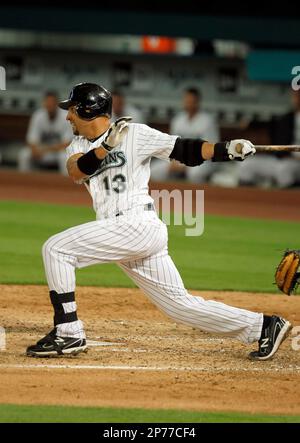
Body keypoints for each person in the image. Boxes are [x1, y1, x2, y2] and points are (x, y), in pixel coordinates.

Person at [26, 82, 292, 361]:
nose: (68, 116)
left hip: (137, 224)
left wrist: (228, 149)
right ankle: (263, 326)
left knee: (56, 249)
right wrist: (105, 147)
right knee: (179, 307)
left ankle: (68, 332)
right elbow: (76, 170)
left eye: (72, 110)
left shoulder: (135, 133)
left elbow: (184, 150)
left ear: (87, 110)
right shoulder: (77, 145)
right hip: (121, 232)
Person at [150, 87, 220, 182]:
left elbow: (210, 150)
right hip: (180, 159)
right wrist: (174, 161)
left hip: (203, 161)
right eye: (187, 100)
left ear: (197, 102)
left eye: (192, 101)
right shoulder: (177, 120)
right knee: (155, 170)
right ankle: (170, 194)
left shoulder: (207, 121)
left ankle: (200, 196)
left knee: (195, 173)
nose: (189, 103)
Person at [238, 89, 300, 188]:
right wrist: (250, 123)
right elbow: (270, 123)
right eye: (295, 96)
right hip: (281, 159)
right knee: (246, 165)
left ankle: (288, 202)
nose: (296, 99)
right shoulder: (288, 118)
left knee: (284, 170)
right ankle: (250, 201)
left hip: (295, 162)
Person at [17, 91, 73, 175]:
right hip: (41, 151)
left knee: (64, 157)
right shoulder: (38, 115)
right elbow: (31, 139)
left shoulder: (66, 116)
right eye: (47, 102)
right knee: (24, 155)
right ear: (44, 103)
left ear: (57, 103)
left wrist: (46, 150)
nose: (49, 105)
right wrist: (34, 150)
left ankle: (65, 184)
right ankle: (24, 183)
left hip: (57, 152)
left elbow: (67, 144)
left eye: (52, 102)